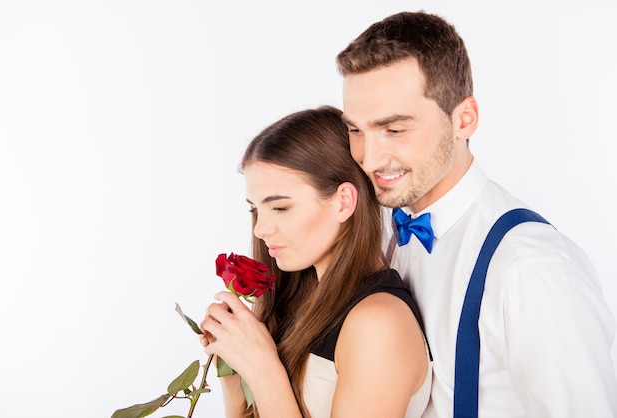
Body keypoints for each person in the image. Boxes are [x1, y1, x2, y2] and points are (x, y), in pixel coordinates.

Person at [336, 10, 617, 417]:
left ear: (464, 119)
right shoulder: (380, 234)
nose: (370, 156)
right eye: (356, 130)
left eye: (394, 129)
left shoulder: (530, 269)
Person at [200, 106, 432, 418]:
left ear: (343, 202)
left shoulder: (378, 323)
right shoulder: (298, 300)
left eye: (280, 208)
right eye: (255, 209)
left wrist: (264, 372)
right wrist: (232, 367)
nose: (260, 229)